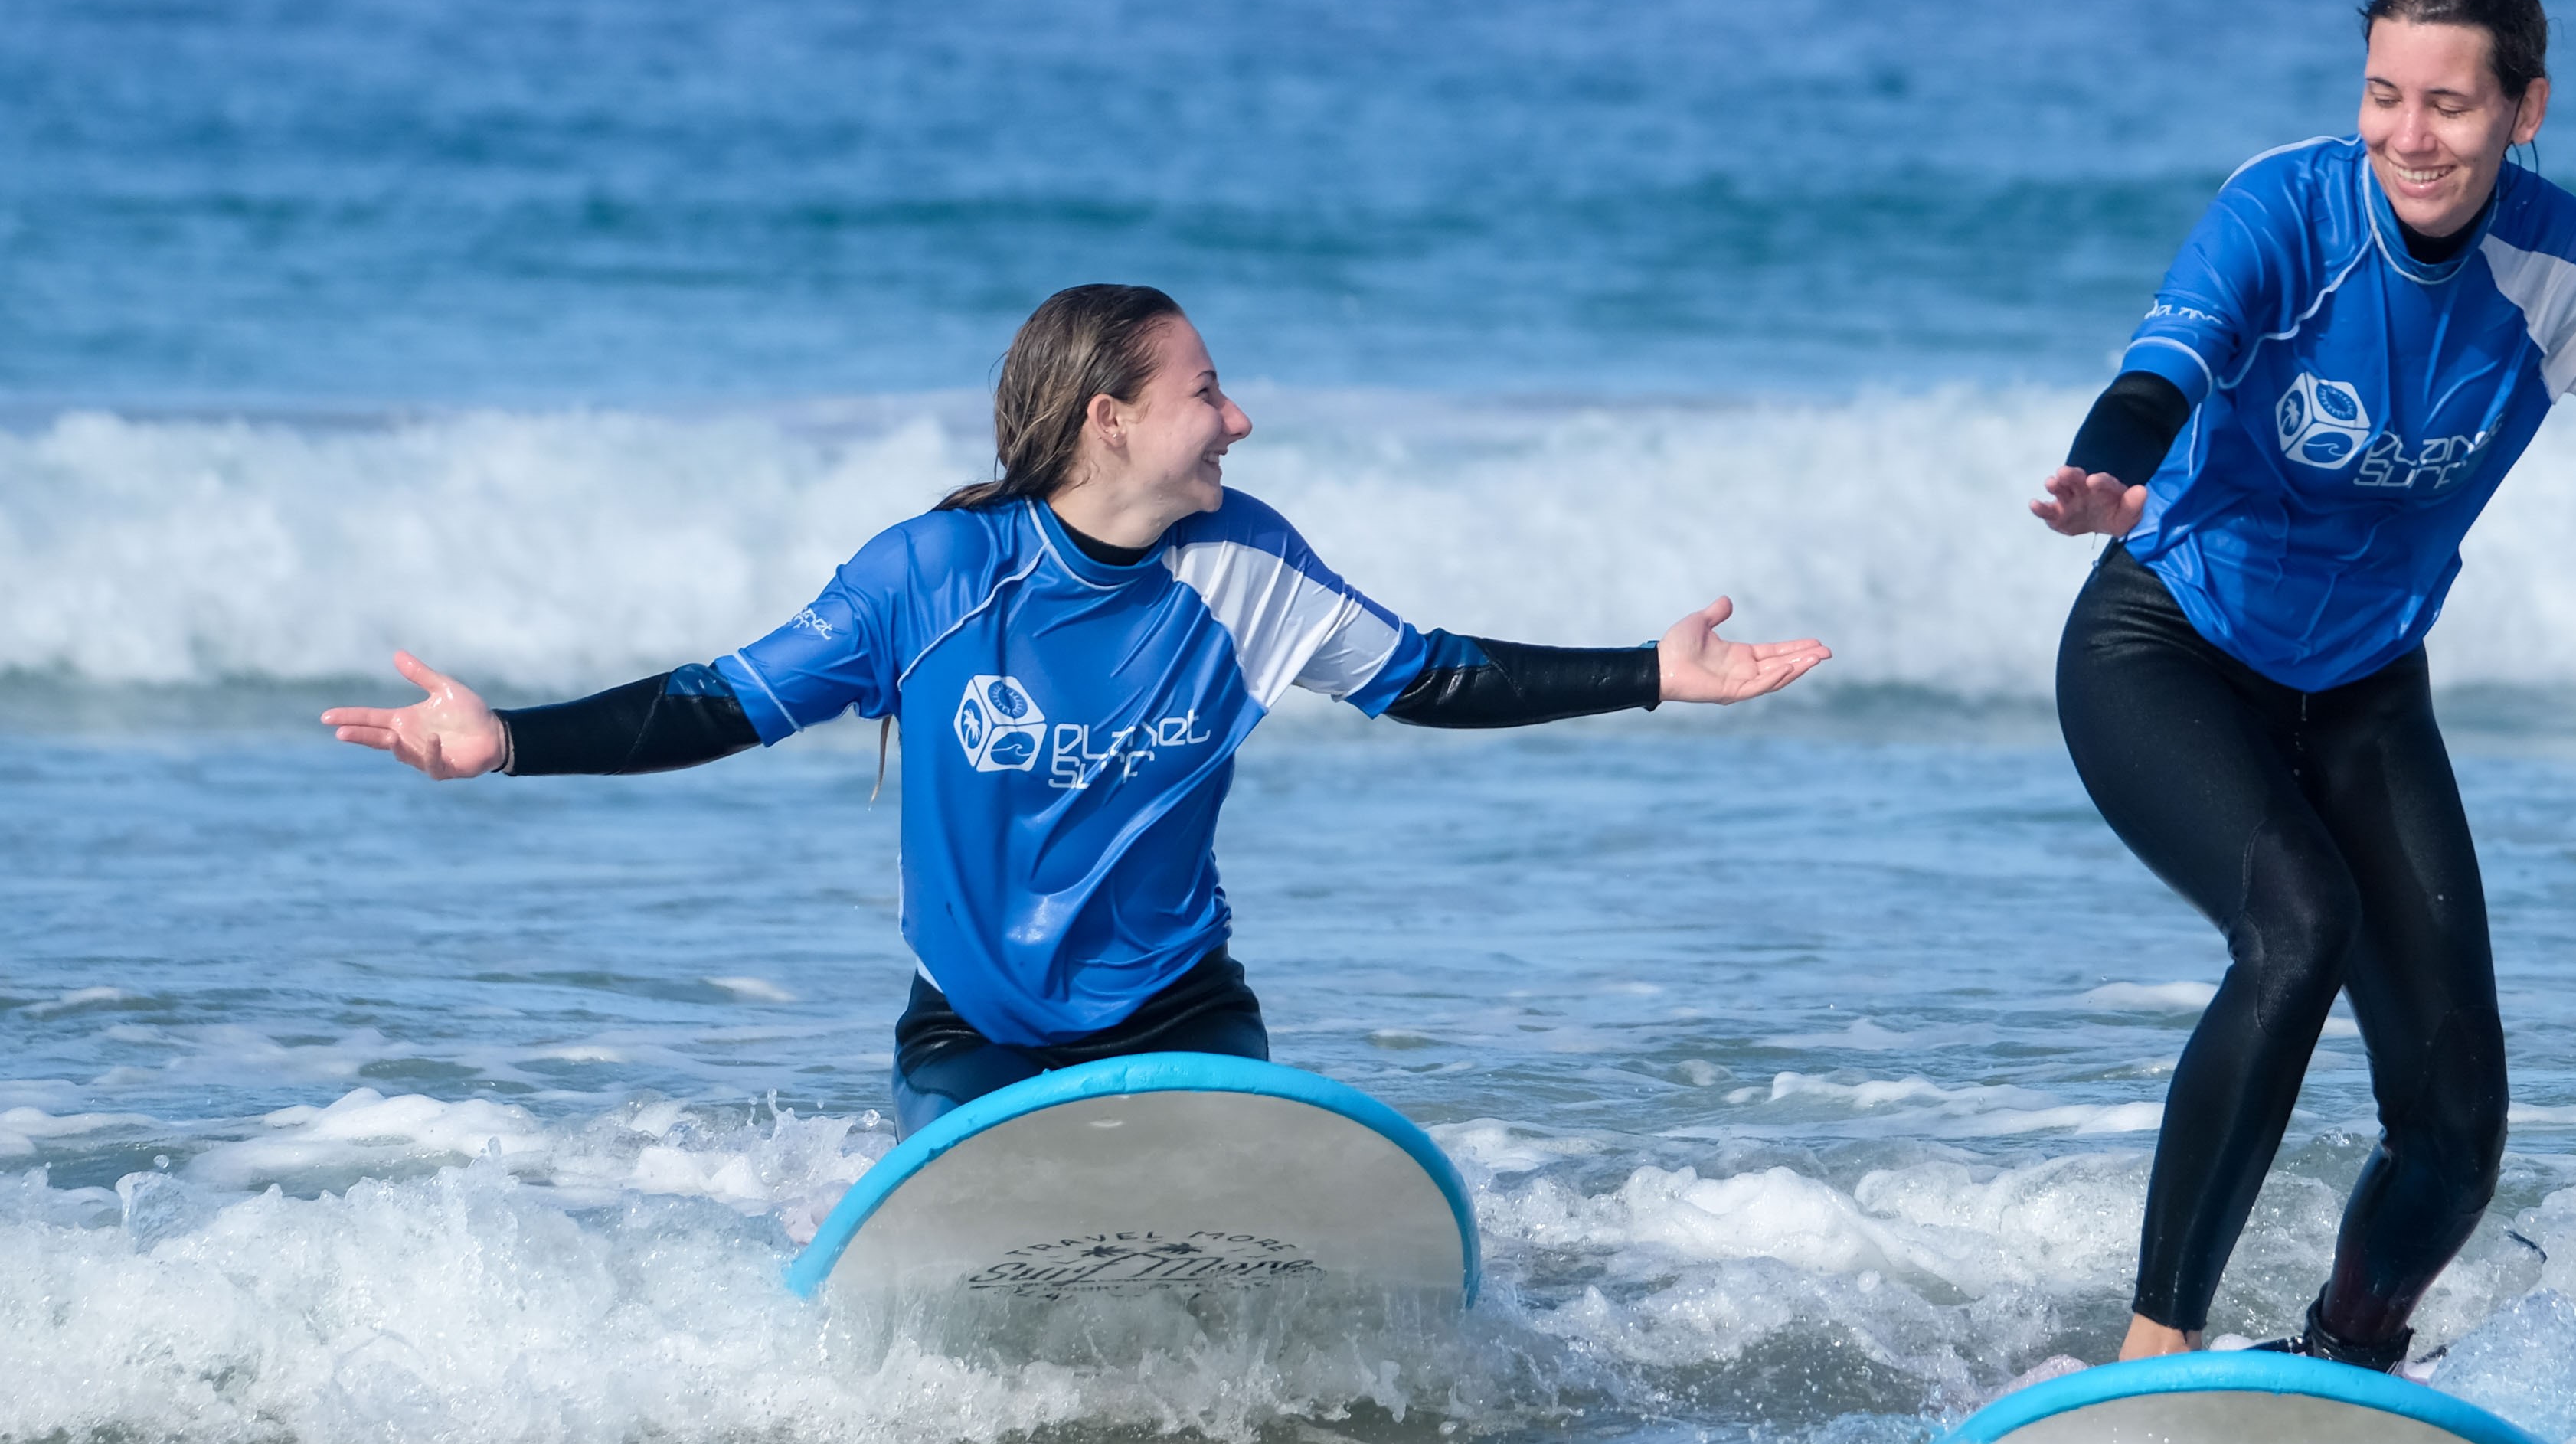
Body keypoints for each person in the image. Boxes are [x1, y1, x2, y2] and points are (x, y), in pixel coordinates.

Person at [327, 284, 1828, 1127]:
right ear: (1109, 420)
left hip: (1179, 1015)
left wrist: (1651, 674)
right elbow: (719, 704)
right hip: (976, 1035)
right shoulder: (933, 576)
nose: (1238, 418)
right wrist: (507, 738)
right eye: (1206, 391)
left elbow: (1427, 675)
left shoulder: (1242, 566)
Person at [2032, 0, 2576, 1369]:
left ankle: (2344, 1360)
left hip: (2362, 690)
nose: (2411, 135)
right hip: (2166, 646)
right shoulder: (2283, 208)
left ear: (2525, 111)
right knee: (2298, 925)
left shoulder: (2563, 269)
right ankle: (2152, 1349)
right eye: (2384, 95)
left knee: (2459, 1134)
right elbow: (2164, 366)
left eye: (2452, 106)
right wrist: (2109, 470)